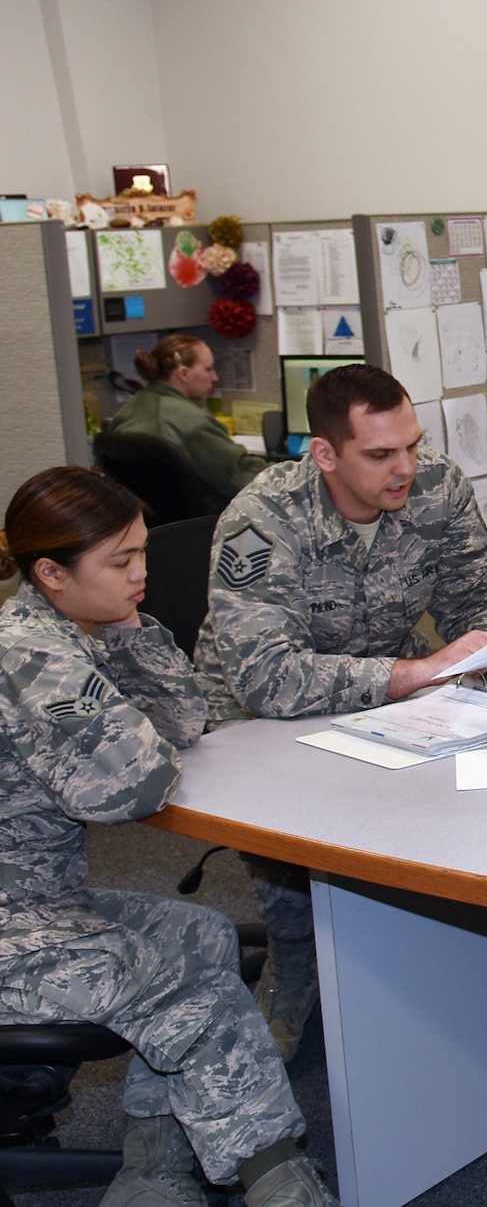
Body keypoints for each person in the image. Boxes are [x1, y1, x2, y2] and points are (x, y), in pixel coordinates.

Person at [0, 467, 339, 1206]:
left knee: (207, 935)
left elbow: (183, 724)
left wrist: (127, 634)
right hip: (11, 924)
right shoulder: (31, 654)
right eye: (119, 562)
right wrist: (134, 726)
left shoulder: (64, 630)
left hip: (38, 901)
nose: (141, 573)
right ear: (51, 572)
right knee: (177, 977)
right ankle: (278, 1178)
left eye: (142, 554)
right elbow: (134, 781)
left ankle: (154, 1170)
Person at [195, 363, 487, 1062]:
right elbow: (266, 676)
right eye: (382, 454)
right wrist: (410, 673)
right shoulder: (263, 520)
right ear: (324, 454)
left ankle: (423, 975)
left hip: (389, 691)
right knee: (296, 868)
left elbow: (476, 595)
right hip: (260, 716)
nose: (407, 468)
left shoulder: (437, 486)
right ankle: (294, 972)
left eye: (412, 445)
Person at [103, 333, 267, 514]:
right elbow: (244, 477)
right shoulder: (190, 422)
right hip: (210, 524)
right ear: (183, 374)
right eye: (208, 369)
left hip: (155, 527)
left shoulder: (127, 412)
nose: (214, 377)